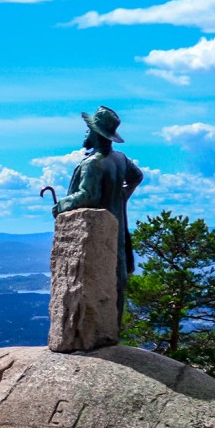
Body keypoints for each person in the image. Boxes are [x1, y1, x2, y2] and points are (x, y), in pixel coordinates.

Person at [53, 106, 143, 330]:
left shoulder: (92, 163)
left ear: (97, 133)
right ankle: (112, 330)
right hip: (117, 228)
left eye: (89, 129)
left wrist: (60, 205)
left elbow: (88, 195)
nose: (86, 134)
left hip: (95, 235)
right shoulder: (120, 159)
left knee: (95, 282)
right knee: (116, 279)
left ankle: (92, 332)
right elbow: (137, 177)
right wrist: (122, 197)